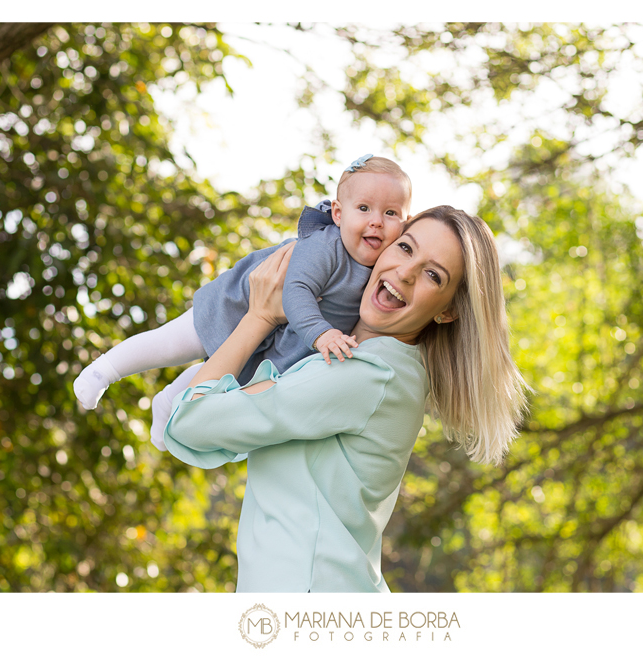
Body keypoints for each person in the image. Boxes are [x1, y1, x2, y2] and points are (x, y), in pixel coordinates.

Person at [161, 205, 529, 592]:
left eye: (433, 275)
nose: (405, 273)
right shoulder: (383, 368)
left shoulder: (366, 373)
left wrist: (260, 317)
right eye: (405, 248)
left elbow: (189, 422)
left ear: (448, 310)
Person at [73, 155, 413, 446]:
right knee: (174, 342)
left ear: (406, 222)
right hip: (237, 302)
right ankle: (101, 372)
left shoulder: (385, 269)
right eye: (364, 208)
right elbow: (296, 292)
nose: (376, 221)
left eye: (391, 213)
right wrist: (322, 334)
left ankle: (166, 404)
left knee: (218, 373)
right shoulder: (327, 247)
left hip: (277, 337)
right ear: (338, 214)